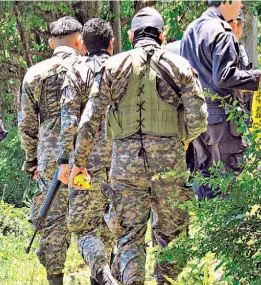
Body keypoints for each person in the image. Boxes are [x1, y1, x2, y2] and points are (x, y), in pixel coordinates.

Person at [69, 8, 208, 284]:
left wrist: (79, 162)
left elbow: (90, 120)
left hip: (124, 166)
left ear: (131, 36)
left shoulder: (113, 67)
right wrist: (182, 140)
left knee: (128, 234)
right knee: (172, 234)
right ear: (162, 35)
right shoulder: (179, 66)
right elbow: (199, 118)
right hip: (169, 163)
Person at [19, 16, 85, 285]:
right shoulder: (90, 67)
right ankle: (101, 273)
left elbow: (26, 123)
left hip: (49, 153)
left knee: (53, 217)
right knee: (95, 209)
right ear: (80, 41)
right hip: (88, 149)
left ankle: (55, 277)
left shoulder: (35, 73)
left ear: (50, 43)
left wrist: (31, 160)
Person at [56, 18, 117, 285]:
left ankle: (103, 274)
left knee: (83, 228)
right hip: (120, 161)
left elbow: (69, 121)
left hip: (85, 163)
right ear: (112, 44)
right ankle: (107, 274)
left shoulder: (77, 72)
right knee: (112, 225)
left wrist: (63, 160)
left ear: (82, 44)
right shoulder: (123, 68)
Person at [180, 0, 261, 200]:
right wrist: (257, 77)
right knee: (230, 182)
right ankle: (225, 231)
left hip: (196, 119)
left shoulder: (191, 30)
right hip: (222, 121)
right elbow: (224, 76)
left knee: (205, 177)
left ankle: (207, 227)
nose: (241, 5)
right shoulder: (221, 30)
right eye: (240, 1)